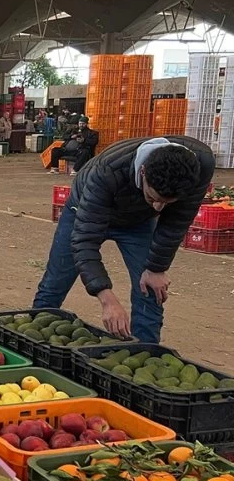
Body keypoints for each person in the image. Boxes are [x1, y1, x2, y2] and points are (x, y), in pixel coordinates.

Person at [33, 136, 214, 344]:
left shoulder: (200, 164)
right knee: (56, 281)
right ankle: (34, 340)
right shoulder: (106, 171)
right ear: (143, 172)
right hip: (86, 210)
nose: (158, 208)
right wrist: (107, 300)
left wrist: (157, 267)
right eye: (153, 198)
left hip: (138, 222)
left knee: (150, 289)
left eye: (166, 203)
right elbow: (84, 241)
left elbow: (178, 220)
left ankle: (145, 352)